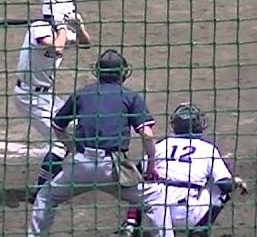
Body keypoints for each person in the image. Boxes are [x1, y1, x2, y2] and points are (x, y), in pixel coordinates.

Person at [26, 49, 171, 237]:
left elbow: (58, 126)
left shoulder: (82, 94)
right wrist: (151, 164)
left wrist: (72, 149)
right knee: (156, 198)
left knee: (46, 196)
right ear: (122, 72)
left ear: (98, 71)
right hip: (112, 169)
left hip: (80, 166)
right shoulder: (130, 96)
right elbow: (147, 134)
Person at [120, 103, 250, 237]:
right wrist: (236, 182)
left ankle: (131, 223)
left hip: (156, 214)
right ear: (198, 125)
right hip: (187, 214)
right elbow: (225, 186)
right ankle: (200, 230)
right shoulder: (207, 148)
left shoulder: (161, 145)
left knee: (141, 182)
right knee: (220, 188)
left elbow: (136, 172)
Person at [13, 0, 92, 195]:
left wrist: (79, 27)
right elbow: (56, 47)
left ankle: (61, 173)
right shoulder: (38, 28)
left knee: (75, 128)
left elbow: (86, 43)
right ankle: (41, 190)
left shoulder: (57, 31)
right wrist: (63, 27)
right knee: (59, 141)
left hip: (45, 95)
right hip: (29, 96)